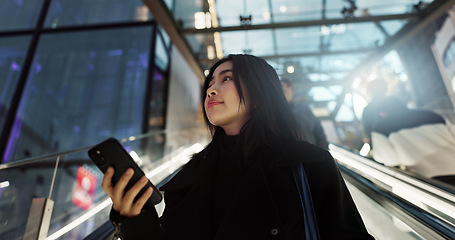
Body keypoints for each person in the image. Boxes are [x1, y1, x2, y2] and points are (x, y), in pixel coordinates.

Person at [102, 54, 374, 239]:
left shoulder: (308, 163)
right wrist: (133, 217)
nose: (210, 89)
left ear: (259, 92)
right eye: (210, 82)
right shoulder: (190, 176)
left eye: (226, 79)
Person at [370, 97, 455, 185]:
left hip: (432, 179)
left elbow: (390, 159)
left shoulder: (381, 127)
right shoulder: (432, 114)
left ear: (381, 113)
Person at [281, 78, 329, 149]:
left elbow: (319, 132)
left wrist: (323, 152)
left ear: (292, 91)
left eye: (285, 89)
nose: (284, 92)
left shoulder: (304, 109)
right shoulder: (275, 114)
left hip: (312, 153)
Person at [361, 78, 402, 146]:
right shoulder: (394, 101)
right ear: (385, 89)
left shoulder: (367, 110)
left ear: (370, 91)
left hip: (384, 146)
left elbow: (366, 138)